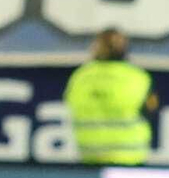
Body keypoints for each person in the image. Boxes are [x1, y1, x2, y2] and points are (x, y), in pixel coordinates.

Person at [64, 27, 156, 165]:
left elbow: (70, 104)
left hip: (90, 157)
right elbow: (152, 110)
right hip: (129, 158)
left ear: (95, 47)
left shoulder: (80, 76)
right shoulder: (138, 78)